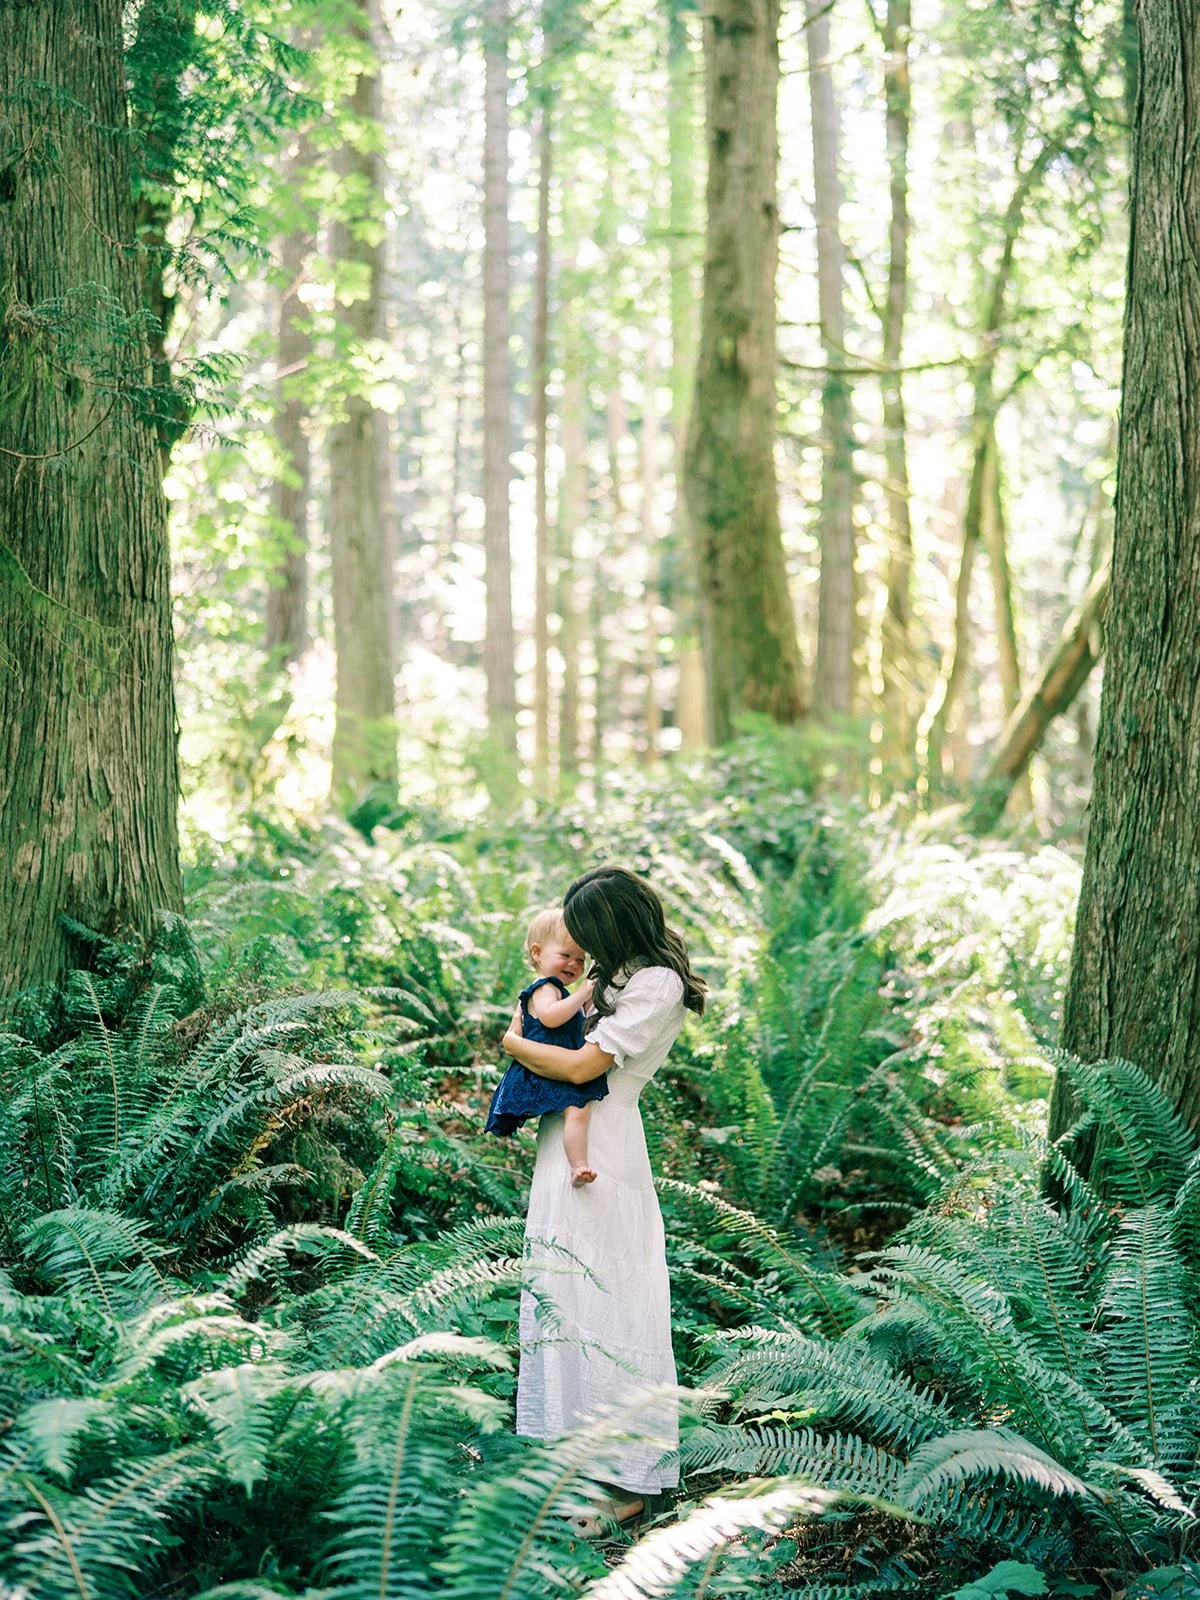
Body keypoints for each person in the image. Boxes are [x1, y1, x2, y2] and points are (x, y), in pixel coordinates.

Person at [501, 865, 707, 1534]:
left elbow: (583, 1066)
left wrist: (512, 1042)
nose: (582, 946)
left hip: (606, 1146)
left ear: (614, 924)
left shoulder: (657, 983)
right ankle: (573, 1465)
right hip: (569, 1137)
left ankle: (625, 1484)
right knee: (565, 1295)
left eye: (589, 931)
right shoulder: (613, 975)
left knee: (608, 1301)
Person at [485, 909, 606, 1185]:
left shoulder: (558, 989)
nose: (574, 964)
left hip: (555, 1060)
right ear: (537, 953)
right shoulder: (545, 987)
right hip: (546, 1063)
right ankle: (578, 1165)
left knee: (577, 1112)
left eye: (581, 959)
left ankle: (578, 1167)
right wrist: (582, 994)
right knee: (577, 1110)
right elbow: (551, 1017)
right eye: (566, 955)